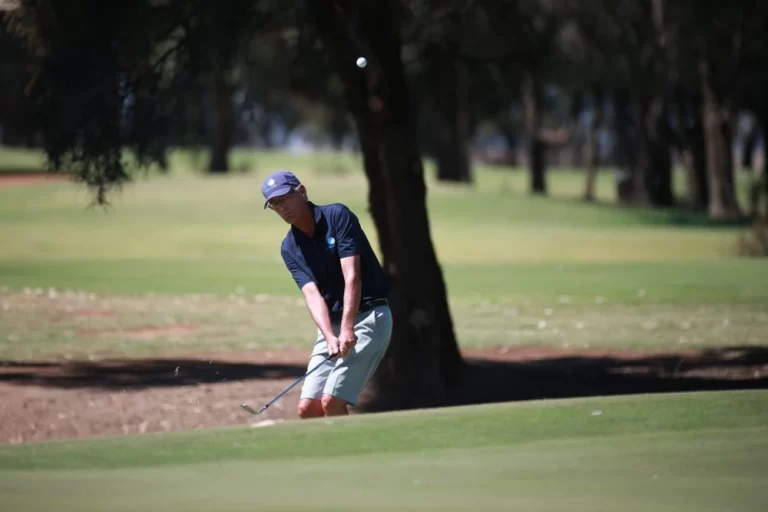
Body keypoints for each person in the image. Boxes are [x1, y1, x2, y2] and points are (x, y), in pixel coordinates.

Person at [261, 170, 393, 418]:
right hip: (333, 327)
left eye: (285, 198)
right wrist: (330, 336)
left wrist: (347, 328)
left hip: (369, 317)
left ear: (301, 191)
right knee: (308, 409)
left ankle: (349, 455)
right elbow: (312, 296)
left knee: (331, 402)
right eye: (275, 204)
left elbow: (352, 276)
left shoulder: (337, 216)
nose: (282, 208)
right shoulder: (289, 247)